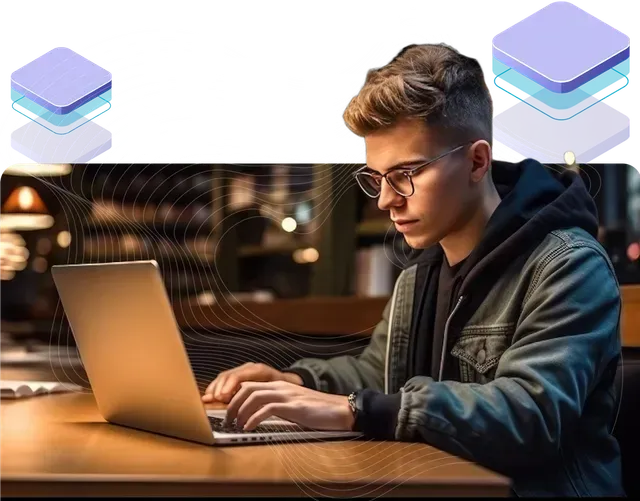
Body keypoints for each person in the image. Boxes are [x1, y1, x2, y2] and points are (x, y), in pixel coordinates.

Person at [202, 42, 624, 497]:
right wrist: (295, 382)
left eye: (407, 173)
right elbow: (379, 375)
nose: (386, 200)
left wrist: (357, 410)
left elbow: (531, 416)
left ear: (477, 161)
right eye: (377, 178)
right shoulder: (419, 273)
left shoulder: (567, 265)